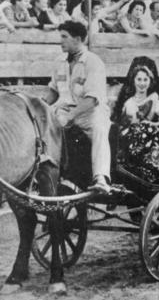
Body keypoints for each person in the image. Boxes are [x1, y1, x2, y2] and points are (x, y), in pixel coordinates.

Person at [45, 21, 111, 193]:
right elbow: (53, 91)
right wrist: (41, 106)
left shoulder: (93, 62)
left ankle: (101, 177)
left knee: (99, 129)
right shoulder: (59, 61)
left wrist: (70, 116)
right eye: (61, 36)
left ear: (78, 39)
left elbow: (92, 100)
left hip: (89, 113)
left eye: (64, 37)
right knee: (42, 127)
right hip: (64, 110)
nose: (61, 41)